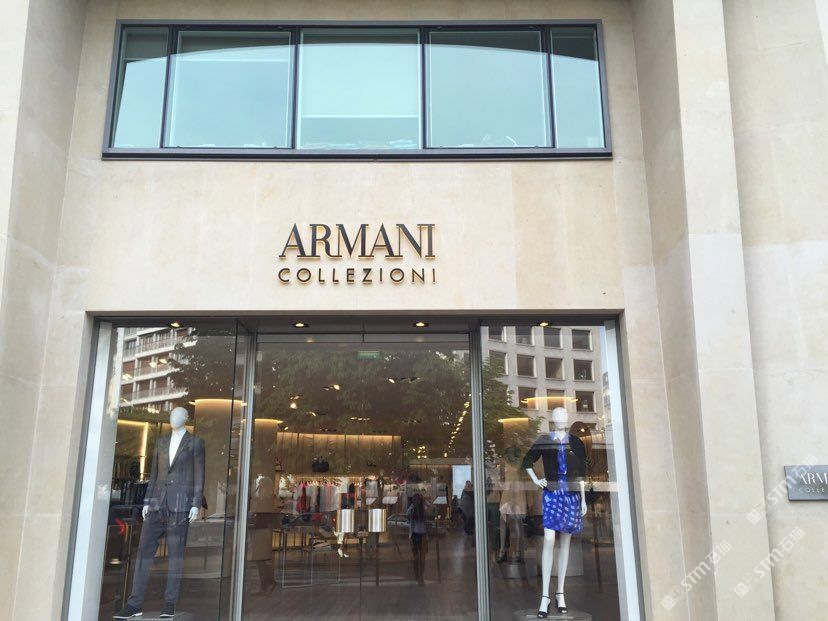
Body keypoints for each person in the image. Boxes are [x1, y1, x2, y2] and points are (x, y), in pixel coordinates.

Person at [406, 493, 431, 585]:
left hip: (423, 535)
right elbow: (407, 514)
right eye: (415, 500)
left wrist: (424, 501)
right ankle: (418, 576)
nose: (417, 502)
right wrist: (413, 505)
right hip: (415, 535)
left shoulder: (423, 509)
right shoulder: (412, 510)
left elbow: (431, 508)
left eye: (419, 500)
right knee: (416, 557)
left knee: (422, 558)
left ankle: (421, 576)